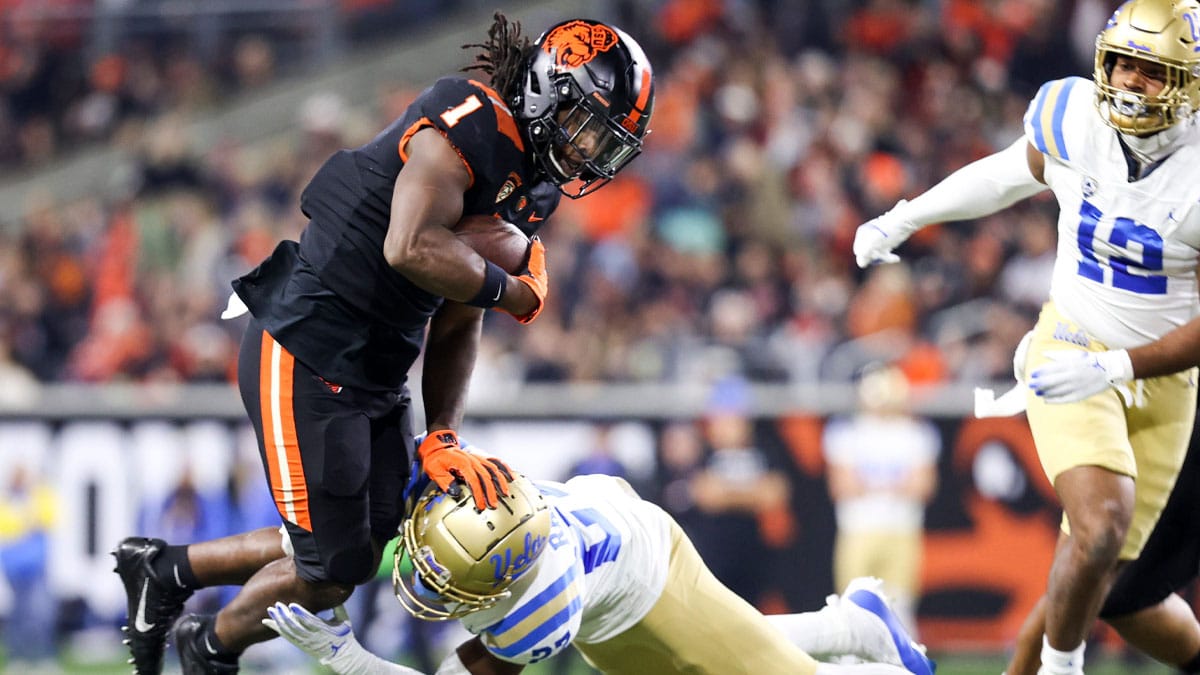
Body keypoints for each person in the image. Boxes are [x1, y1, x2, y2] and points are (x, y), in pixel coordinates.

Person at [113, 13, 656, 675]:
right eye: (585, 125)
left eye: (606, 141)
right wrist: (515, 291)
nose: (588, 150)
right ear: (548, 90)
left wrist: (444, 434)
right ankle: (209, 646)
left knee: (368, 546)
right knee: (332, 564)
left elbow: (459, 317)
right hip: (307, 342)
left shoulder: (534, 187)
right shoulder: (469, 122)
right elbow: (409, 246)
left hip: (377, 363)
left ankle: (168, 571)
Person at [851, 1, 1200, 673]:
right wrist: (906, 216)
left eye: (1150, 72)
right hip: (1070, 345)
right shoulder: (1074, 117)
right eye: (1120, 63)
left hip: (1164, 378)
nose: (1128, 81)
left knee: (1106, 586)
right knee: (1100, 526)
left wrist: (1120, 367)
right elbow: (1008, 174)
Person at [264, 464, 937, 675]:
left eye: (451, 579)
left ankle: (863, 636)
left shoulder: (536, 609)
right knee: (713, 656)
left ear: (500, 586)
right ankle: (845, 623)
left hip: (644, 575)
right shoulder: (467, 495)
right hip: (597, 530)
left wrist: (349, 660)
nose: (424, 580)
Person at [823, 365, 939, 631]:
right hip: (859, 529)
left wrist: (870, 484)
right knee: (853, 606)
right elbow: (843, 485)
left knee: (901, 606)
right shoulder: (847, 432)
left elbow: (923, 486)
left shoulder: (915, 433)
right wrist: (895, 485)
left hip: (901, 528)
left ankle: (900, 667)